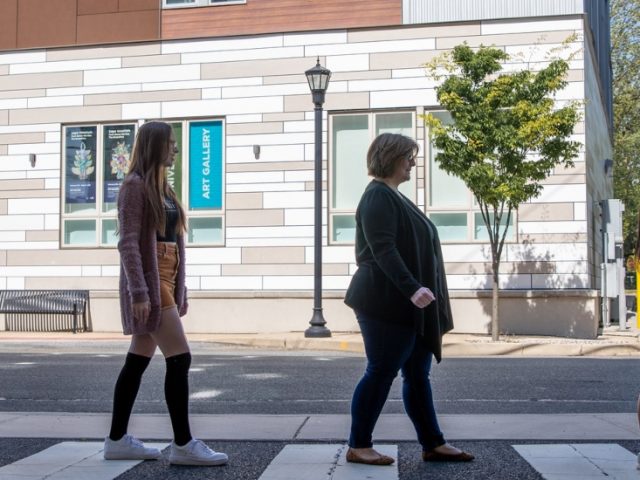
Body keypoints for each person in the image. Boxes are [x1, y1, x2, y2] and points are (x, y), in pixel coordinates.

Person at [343, 133, 474, 466]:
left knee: (417, 374)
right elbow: (382, 249)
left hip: (409, 305)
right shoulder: (377, 197)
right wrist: (413, 288)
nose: (413, 163)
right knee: (381, 371)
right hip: (384, 302)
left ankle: (433, 443)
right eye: (408, 157)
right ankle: (359, 444)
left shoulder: (393, 196)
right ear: (391, 157)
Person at [103, 121, 228, 466]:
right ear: (154, 145)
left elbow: (174, 243)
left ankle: (116, 440)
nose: (175, 148)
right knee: (180, 357)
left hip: (166, 276)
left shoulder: (164, 189)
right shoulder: (134, 186)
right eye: (170, 143)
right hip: (150, 277)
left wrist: (180, 286)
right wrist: (140, 292)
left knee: (137, 360)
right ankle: (183, 444)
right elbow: (128, 242)